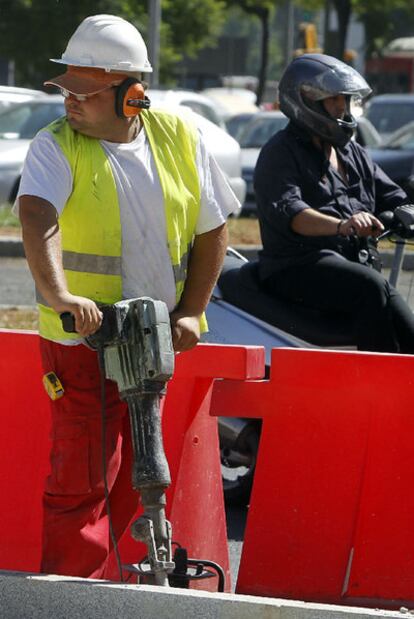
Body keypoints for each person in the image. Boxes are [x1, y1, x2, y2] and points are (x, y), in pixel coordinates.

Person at [17, 14, 239, 579]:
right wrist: (60, 294)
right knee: (82, 478)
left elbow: (214, 228)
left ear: (132, 95)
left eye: (86, 94)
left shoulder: (181, 139)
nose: (71, 102)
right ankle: (70, 597)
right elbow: (38, 217)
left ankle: (118, 589)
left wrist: (192, 311)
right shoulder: (55, 147)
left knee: (138, 474)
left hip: (151, 338)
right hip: (82, 344)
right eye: (67, 89)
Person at [254, 53, 414, 353]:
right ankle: (373, 386)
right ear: (308, 103)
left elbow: (392, 195)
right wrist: (343, 225)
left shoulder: (351, 153)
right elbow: (293, 213)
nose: (345, 111)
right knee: (369, 288)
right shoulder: (280, 153)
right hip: (294, 267)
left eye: (346, 103)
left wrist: (406, 213)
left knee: (406, 325)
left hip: (349, 265)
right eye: (335, 103)